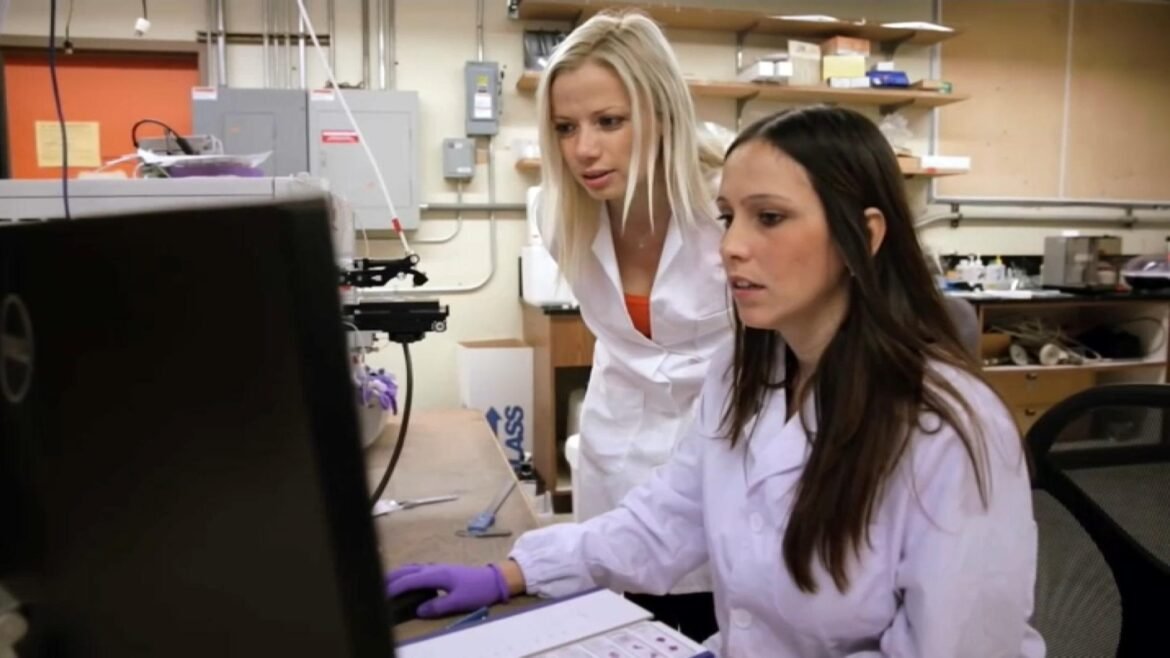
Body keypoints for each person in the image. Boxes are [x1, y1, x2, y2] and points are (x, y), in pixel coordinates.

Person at [387, 105, 1044, 657]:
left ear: (863, 236)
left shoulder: (950, 429)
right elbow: (667, 519)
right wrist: (513, 572)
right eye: (728, 215)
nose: (730, 245)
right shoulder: (747, 372)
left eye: (770, 217)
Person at [521, 10, 731, 640]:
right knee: (621, 627)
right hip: (616, 449)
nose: (584, 149)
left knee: (710, 623)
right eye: (566, 126)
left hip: (720, 450)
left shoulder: (727, 206)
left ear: (662, 113)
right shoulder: (560, 212)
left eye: (609, 121)